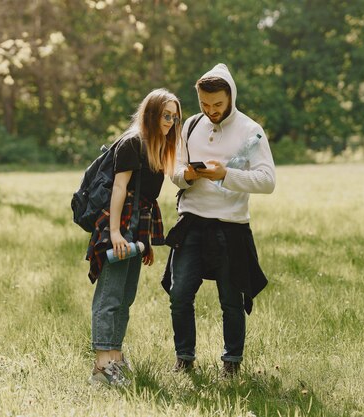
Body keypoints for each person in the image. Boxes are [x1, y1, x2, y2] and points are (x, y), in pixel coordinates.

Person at [163, 63, 276, 378]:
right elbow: (175, 167)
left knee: (231, 299)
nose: (211, 110)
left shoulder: (250, 130)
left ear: (231, 98)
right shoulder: (190, 126)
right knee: (179, 292)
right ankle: (184, 358)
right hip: (191, 222)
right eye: (204, 104)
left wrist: (226, 174)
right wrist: (185, 175)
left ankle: (232, 363)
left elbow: (267, 181)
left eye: (218, 105)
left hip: (231, 226)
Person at [86, 88, 182, 386]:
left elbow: (144, 198)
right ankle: (102, 366)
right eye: (166, 116)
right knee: (110, 295)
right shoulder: (132, 142)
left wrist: (147, 242)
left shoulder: (156, 147)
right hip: (120, 222)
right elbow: (119, 189)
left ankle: (115, 357)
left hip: (137, 225)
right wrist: (115, 232)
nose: (170, 122)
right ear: (152, 115)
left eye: (175, 117)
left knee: (126, 296)